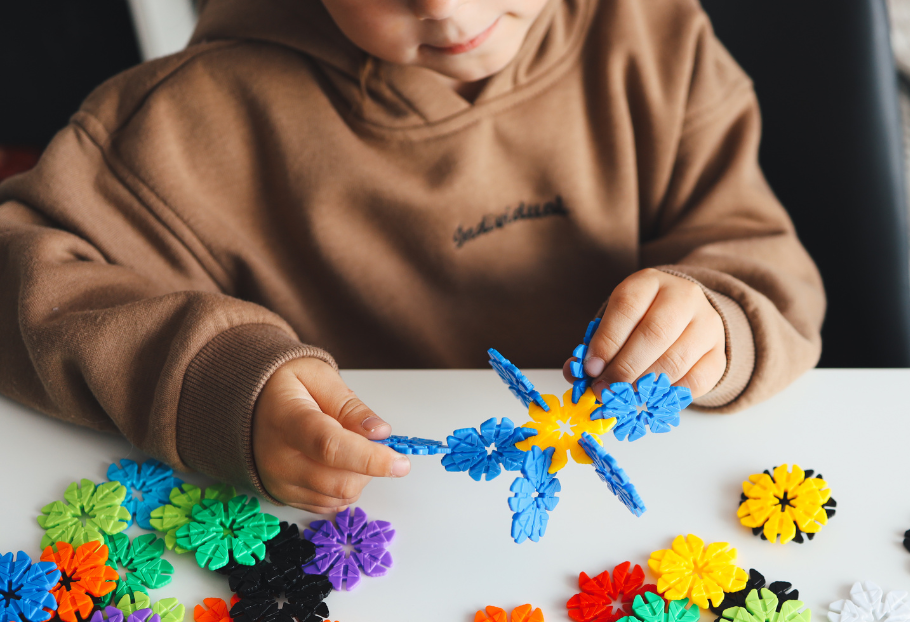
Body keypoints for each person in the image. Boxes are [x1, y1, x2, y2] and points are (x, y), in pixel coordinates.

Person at [0, 0, 824, 512]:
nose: (446, 9)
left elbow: (760, 263)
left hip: (661, 529)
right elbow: (23, 279)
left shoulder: (657, 40)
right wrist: (221, 383)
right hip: (362, 542)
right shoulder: (186, 122)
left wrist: (714, 325)